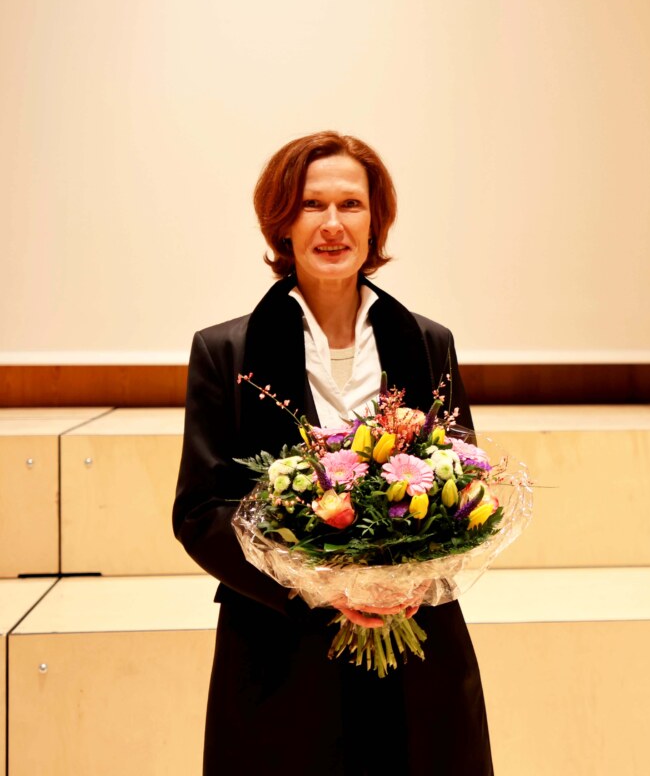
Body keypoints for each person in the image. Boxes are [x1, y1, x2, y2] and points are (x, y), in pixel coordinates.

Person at [173, 131, 493, 775]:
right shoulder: (224, 352)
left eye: (351, 204)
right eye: (311, 205)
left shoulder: (428, 342)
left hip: (416, 639)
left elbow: (466, 485)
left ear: (375, 223)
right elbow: (201, 511)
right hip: (278, 648)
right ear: (281, 223)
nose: (332, 224)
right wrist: (319, 587)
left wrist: (408, 576)